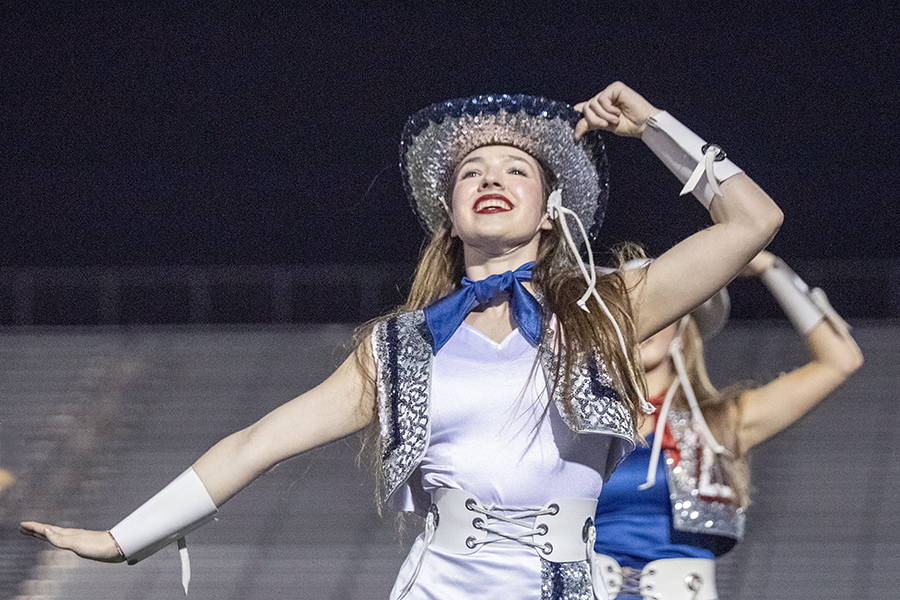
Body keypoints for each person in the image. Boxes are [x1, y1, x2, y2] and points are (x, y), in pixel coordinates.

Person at [20, 81, 783, 600]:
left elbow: (754, 222)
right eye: (471, 172)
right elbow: (256, 441)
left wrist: (653, 125)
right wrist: (124, 540)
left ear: (550, 210)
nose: (492, 177)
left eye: (517, 168)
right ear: (449, 215)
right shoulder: (398, 346)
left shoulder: (605, 306)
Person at [592, 251, 863, 600]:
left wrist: (770, 268)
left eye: (660, 306)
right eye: (625, 311)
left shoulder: (718, 424)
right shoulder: (574, 426)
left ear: (681, 329)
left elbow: (840, 361)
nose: (644, 320)